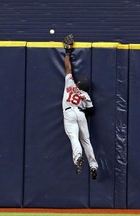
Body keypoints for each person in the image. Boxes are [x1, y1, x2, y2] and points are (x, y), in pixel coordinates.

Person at [62, 34, 98, 180]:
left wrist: (67, 52)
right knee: (86, 141)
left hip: (70, 113)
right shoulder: (86, 96)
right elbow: (92, 111)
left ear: (78, 84)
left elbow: (68, 68)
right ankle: (94, 166)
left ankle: (78, 158)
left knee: (73, 138)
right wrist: (84, 109)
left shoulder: (70, 84)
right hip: (81, 114)